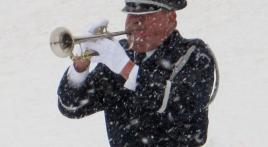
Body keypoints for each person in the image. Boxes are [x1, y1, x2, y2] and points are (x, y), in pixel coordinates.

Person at [57, 0, 217, 146]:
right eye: (131, 15)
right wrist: (81, 65)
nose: (135, 23)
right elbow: (72, 107)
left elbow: (180, 104)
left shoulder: (194, 54)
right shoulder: (121, 55)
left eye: (145, 16)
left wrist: (126, 68)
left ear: (171, 19)